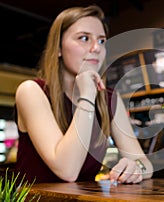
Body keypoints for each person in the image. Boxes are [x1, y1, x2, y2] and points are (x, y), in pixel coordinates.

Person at [14, 5, 153, 183]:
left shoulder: (109, 98)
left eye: (102, 41)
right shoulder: (31, 91)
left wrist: (136, 168)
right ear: (58, 48)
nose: (96, 47)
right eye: (84, 38)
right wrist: (87, 95)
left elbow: (145, 164)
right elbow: (67, 170)